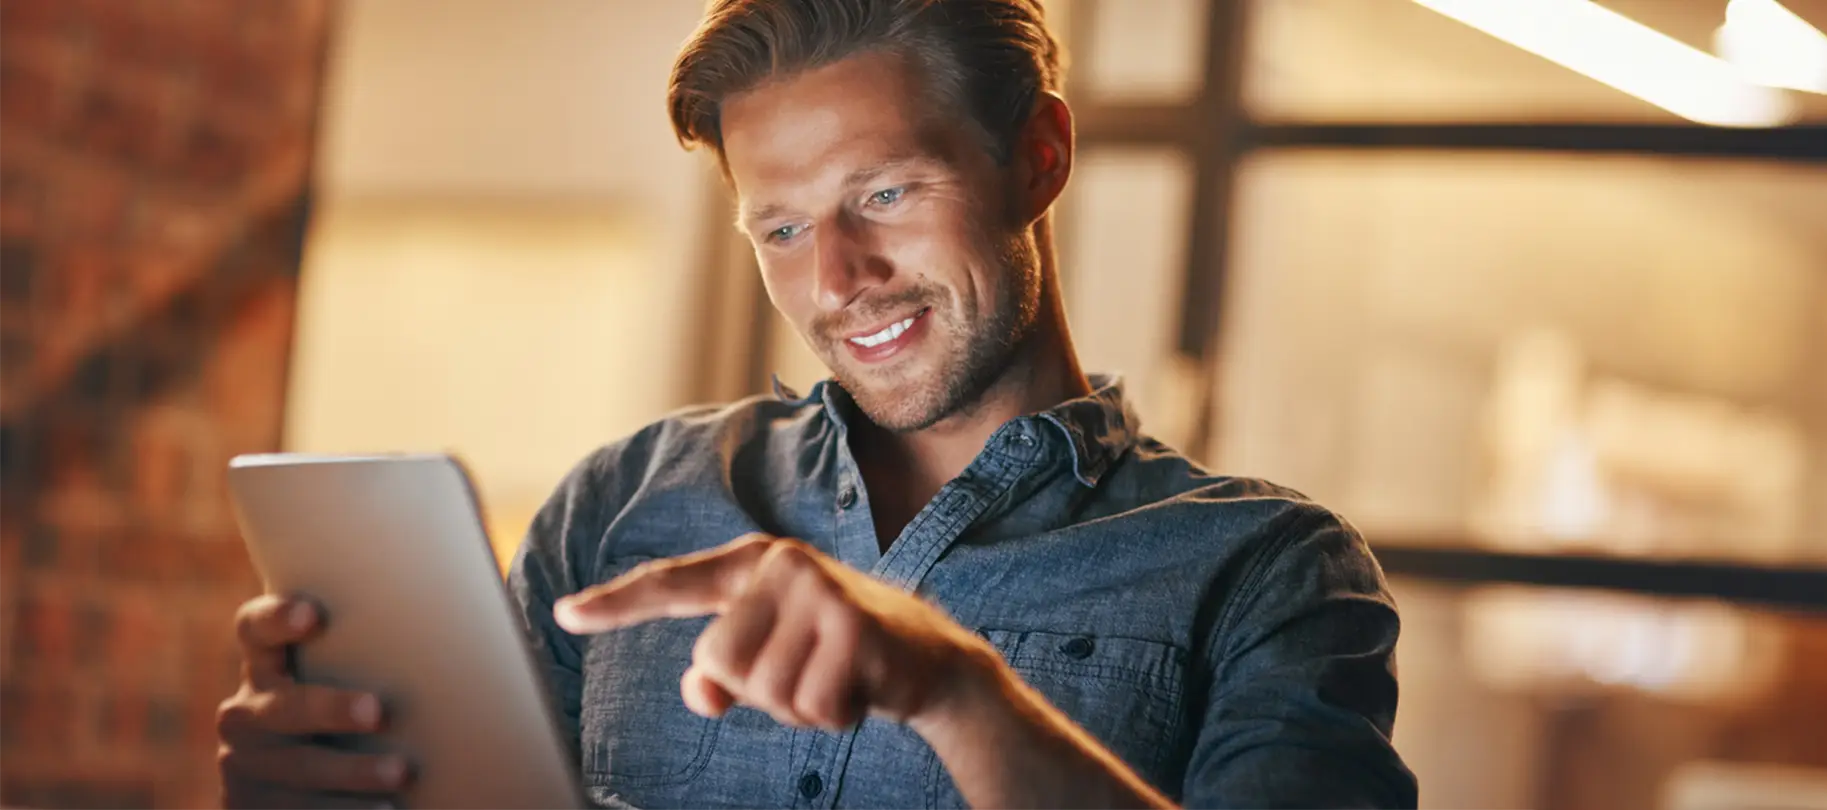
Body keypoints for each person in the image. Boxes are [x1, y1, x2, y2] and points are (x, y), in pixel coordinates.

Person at [213, 1, 1416, 807]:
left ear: (1038, 158)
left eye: (886, 193)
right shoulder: (624, 504)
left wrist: (958, 695)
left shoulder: (1269, 571)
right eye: (781, 229)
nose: (837, 282)